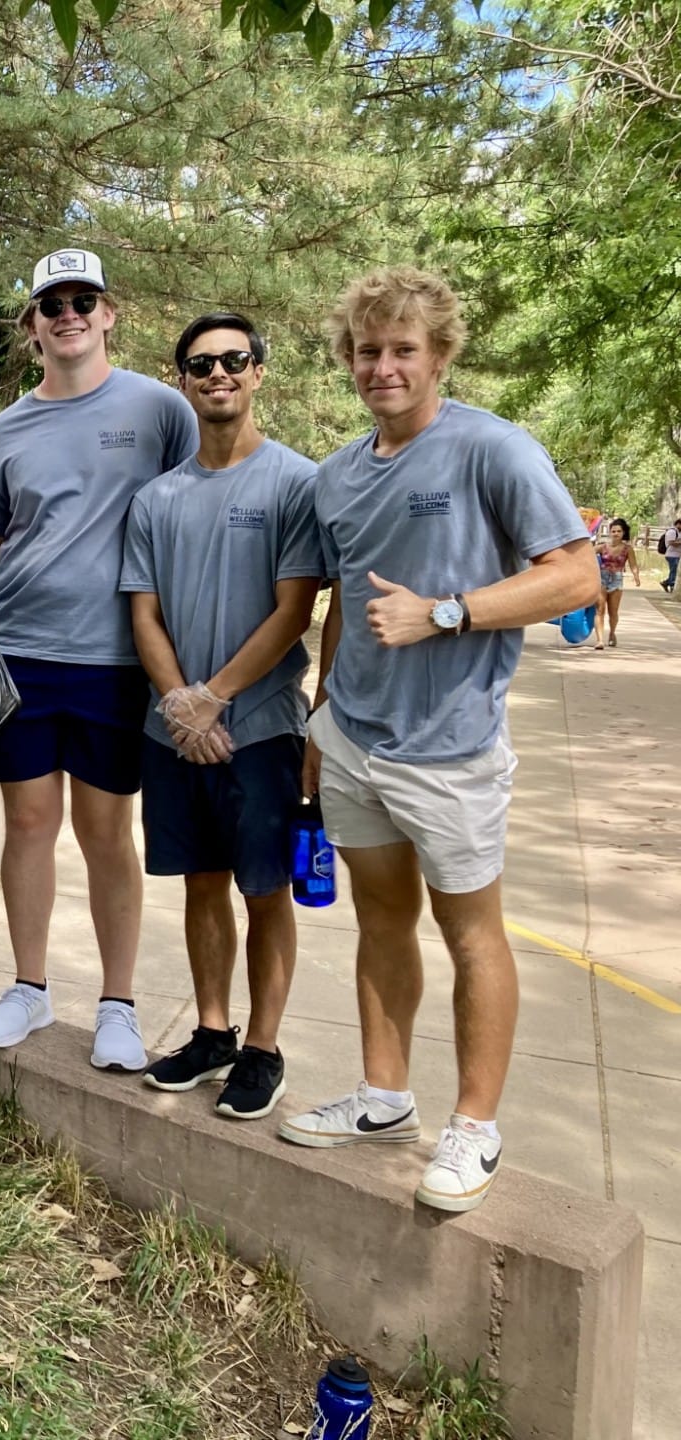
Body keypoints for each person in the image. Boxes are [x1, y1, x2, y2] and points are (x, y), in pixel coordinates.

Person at [281, 267, 597, 1213]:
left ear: (440, 354)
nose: (383, 367)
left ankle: (475, 1126)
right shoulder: (337, 475)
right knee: (381, 923)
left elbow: (576, 576)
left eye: (403, 349)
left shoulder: (493, 449)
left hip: (453, 750)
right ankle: (384, 1099)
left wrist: (448, 611)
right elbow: (347, 602)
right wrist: (321, 717)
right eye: (367, 351)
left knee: (472, 934)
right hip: (353, 741)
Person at [0, 249, 197, 1070]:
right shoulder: (5, 429)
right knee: (29, 825)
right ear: (32, 325)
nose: (68, 315)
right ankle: (30, 990)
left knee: (106, 831)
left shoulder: (160, 410)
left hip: (117, 660)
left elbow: (192, 513)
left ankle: (119, 1006)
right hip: (21, 656)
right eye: (52, 304)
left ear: (108, 314)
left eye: (83, 301)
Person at [119, 312, 321, 1121]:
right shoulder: (155, 498)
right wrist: (181, 706)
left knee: (263, 888)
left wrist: (214, 699)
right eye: (201, 364)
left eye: (235, 359)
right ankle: (213, 1033)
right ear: (183, 382)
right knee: (200, 883)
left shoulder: (296, 483)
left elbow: (294, 611)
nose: (218, 374)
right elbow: (143, 614)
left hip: (261, 730)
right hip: (172, 731)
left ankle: (264, 1048)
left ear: (258, 372)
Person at [593, 517, 640, 647]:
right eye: (613, 531)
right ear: (610, 532)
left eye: (619, 531)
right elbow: (586, 555)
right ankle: (599, 640)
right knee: (600, 610)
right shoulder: (602, 547)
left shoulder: (627, 549)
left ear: (623, 532)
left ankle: (612, 633)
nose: (616, 534)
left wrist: (636, 576)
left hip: (617, 580)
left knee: (613, 612)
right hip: (602, 579)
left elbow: (633, 564)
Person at [662, 515, 680, 592]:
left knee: (674, 570)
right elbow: (671, 542)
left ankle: (666, 582)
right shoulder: (672, 532)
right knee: (674, 570)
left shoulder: (678, 532)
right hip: (672, 555)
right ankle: (672, 584)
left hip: (677, 554)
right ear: (678, 524)